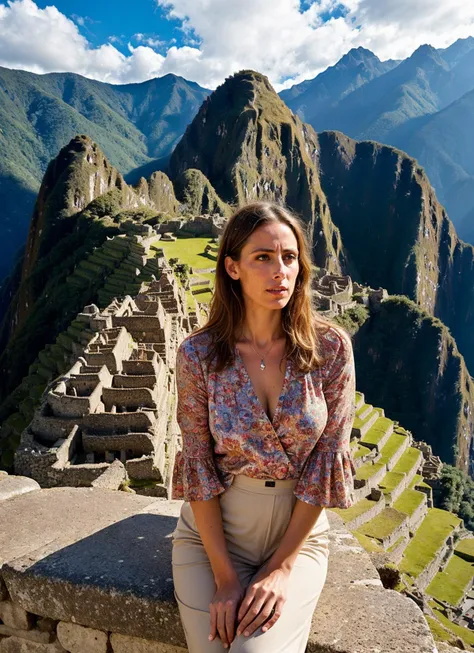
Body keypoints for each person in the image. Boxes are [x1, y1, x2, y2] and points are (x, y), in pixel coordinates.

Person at [171, 201, 357, 652]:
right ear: (232, 268)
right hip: (213, 540)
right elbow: (197, 459)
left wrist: (280, 568)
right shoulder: (199, 355)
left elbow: (327, 461)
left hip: (297, 539)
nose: (280, 271)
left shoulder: (329, 349)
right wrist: (226, 577)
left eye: (289, 258)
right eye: (263, 258)